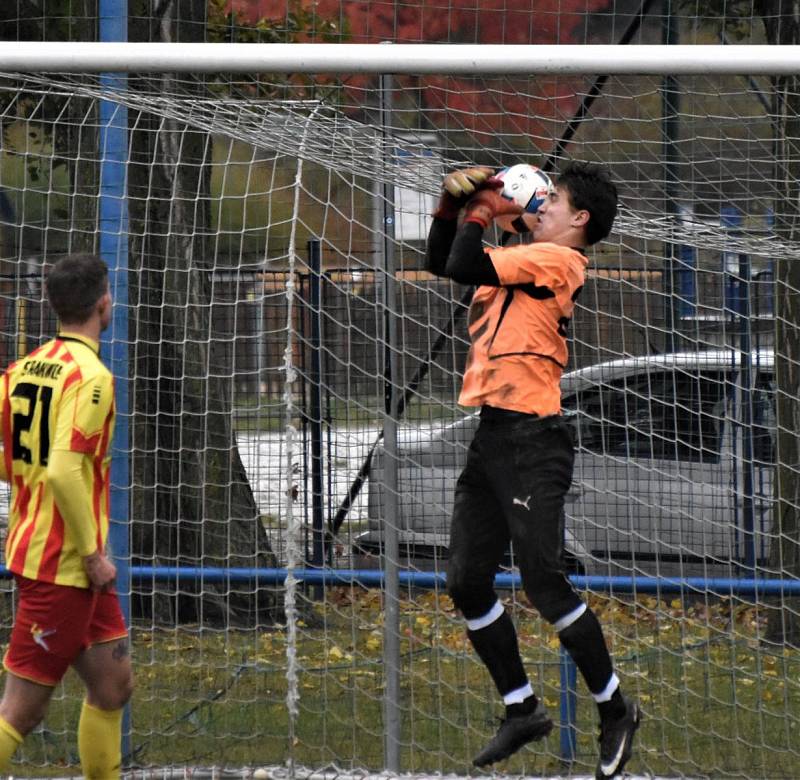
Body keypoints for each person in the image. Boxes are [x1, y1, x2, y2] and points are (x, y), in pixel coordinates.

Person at [426, 162, 639, 779]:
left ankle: (615, 707)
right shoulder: (528, 251)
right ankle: (521, 708)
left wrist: (484, 210)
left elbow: (469, 262)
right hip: (493, 435)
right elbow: (446, 260)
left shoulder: (560, 261)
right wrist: (450, 204)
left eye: (555, 200)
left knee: (543, 583)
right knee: (466, 580)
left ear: (580, 220)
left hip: (534, 440)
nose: (540, 206)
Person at [0, 253, 133, 778]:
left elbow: (11, 462)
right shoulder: (92, 377)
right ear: (104, 303)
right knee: (21, 710)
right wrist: (93, 555)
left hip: (58, 559)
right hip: (64, 566)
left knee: (112, 685)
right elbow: (61, 471)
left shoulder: (20, 370)